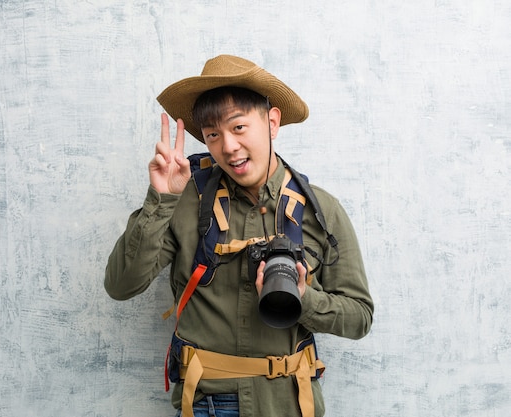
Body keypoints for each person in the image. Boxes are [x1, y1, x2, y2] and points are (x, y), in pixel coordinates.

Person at [105, 55, 374, 417]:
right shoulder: (186, 200)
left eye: (239, 127)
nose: (227, 146)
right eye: (213, 134)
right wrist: (162, 199)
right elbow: (121, 286)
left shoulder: (320, 210)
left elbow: (359, 317)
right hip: (208, 404)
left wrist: (303, 298)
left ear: (272, 122)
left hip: (289, 404)